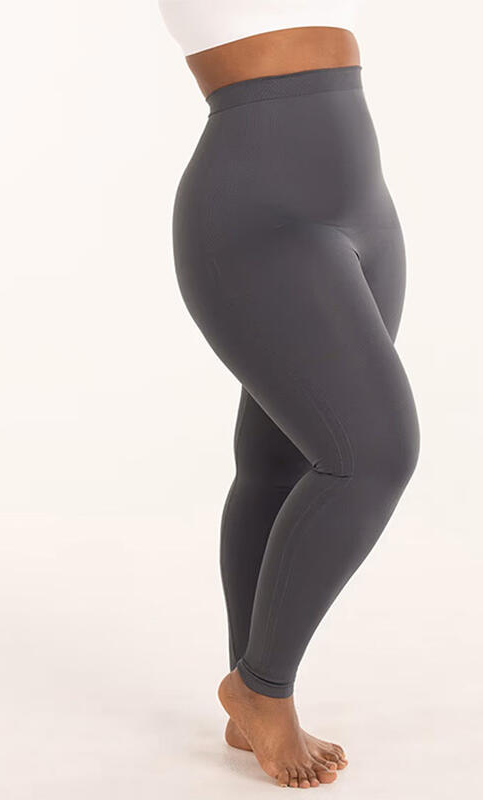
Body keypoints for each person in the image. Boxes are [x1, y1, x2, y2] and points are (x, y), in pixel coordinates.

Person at [159, 1, 421, 789]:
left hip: (364, 202)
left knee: (282, 461)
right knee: (372, 455)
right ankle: (262, 687)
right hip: (257, 212)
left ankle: (251, 696)